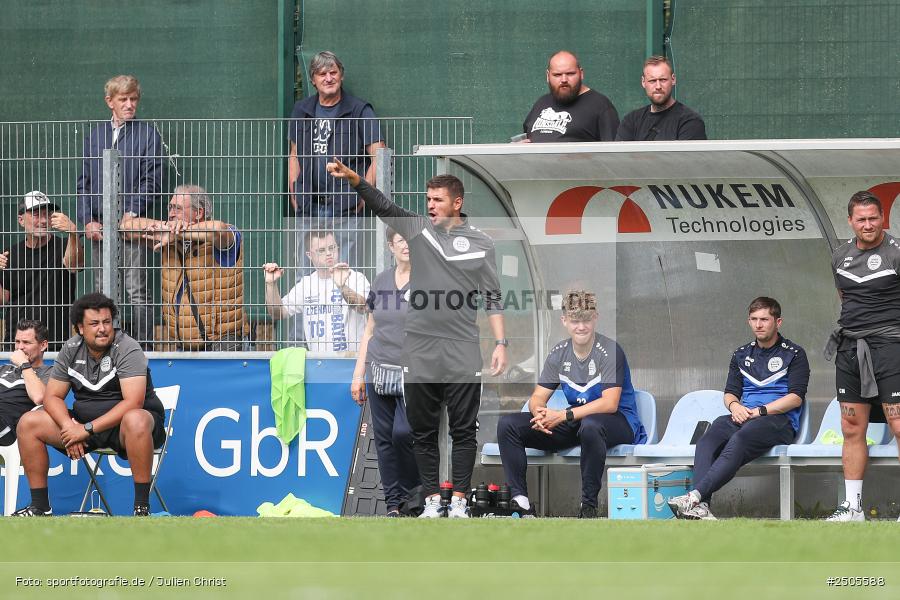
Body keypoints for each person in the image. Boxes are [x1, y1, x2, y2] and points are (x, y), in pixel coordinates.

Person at [326, 159, 507, 519]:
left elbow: (492, 295)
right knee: (421, 431)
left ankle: (458, 502)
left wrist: (501, 344)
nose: (431, 205)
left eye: (438, 200)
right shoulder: (420, 230)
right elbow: (385, 207)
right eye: (428, 199)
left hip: (462, 349)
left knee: (463, 430)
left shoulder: (481, 242)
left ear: (457, 202)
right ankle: (432, 502)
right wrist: (356, 180)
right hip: (420, 348)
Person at [13, 293, 166, 516]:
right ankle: (40, 507)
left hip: (126, 429)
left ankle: (141, 507)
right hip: (83, 426)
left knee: (136, 418)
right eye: (94, 323)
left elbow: (134, 402)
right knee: (28, 422)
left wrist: (85, 430)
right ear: (80, 328)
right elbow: (52, 397)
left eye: (107, 322)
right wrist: (69, 427)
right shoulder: (71, 348)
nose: (102, 329)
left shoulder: (128, 347)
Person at [497, 290, 645, 518]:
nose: (581, 327)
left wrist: (563, 416)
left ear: (595, 318)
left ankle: (588, 507)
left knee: (591, 426)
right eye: (575, 321)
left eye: (586, 320)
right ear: (564, 321)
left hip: (618, 422)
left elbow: (610, 403)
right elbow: (537, 397)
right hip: (578, 421)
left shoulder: (610, 351)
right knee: (509, 424)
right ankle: (521, 503)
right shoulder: (558, 353)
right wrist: (540, 414)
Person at [668, 297, 809, 520]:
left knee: (740, 438)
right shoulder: (741, 354)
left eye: (764, 319)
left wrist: (760, 411)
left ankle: (694, 497)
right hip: (744, 416)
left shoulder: (794, 353)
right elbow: (730, 393)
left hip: (778, 421)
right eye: (754, 319)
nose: (758, 324)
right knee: (706, 441)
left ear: (778, 322)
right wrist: (735, 407)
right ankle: (701, 507)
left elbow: (795, 398)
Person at [822, 190, 900, 522]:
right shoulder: (840, 256)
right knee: (851, 426)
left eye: (873, 218)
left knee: (898, 423)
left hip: (891, 348)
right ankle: (853, 508)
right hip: (850, 349)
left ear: (883, 218)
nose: (868, 225)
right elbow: (845, 297)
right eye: (861, 219)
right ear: (850, 221)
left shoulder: (896, 252)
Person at [76, 75, 164, 348]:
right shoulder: (96, 135)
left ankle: (143, 349)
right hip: (100, 227)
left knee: (137, 291)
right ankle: (103, 348)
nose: (129, 104)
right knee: (102, 292)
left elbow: (153, 178)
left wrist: (133, 211)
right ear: (109, 102)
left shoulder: (147, 134)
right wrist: (87, 220)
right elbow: (83, 182)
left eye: (133, 99)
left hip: (130, 226)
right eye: (123, 99)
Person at [120, 184, 248, 351]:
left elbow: (218, 230)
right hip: (184, 345)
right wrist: (166, 227)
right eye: (170, 207)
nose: (171, 213)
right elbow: (126, 228)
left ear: (199, 213)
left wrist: (178, 233)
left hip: (223, 344)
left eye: (178, 208)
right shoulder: (167, 236)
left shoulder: (226, 236)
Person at [350, 228, 420, 516]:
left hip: (414, 374)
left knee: (403, 433)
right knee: (384, 439)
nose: (406, 246)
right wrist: (358, 374)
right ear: (391, 246)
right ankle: (393, 504)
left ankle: (415, 496)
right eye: (400, 240)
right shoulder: (380, 281)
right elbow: (369, 330)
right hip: (378, 370)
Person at [263, 231, 370, 355]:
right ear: (309, 255)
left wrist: (342, 287)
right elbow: (278, 313)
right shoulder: (306, 284)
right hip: (318, 361)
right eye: (321, 250)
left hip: (353, 359)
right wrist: (271, 284)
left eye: (332, 248)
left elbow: (364, 307)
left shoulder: (355, 278)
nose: (329, 253)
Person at [0, 191, 83, 350]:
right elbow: (3, 298)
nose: (44, 220)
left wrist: (73, 232)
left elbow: (75, 266)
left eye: (47, 215)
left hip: (55, 341)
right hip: (18, 341)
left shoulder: (64, 245)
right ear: (21, 220)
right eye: (37, 215)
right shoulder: (11, 253)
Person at [522, 50, 619, 142]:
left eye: (570, 74)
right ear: (548, 76)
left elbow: (615, 151)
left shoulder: (600, 106)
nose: (564, 79)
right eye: (557, 75)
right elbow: (525, 138)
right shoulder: (541, 103)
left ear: (581, 73)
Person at [616, 56, 707, 141]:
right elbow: (620, 153)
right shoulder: (631, 121)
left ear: (673, 79)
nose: (658, 86)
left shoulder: (690, 121)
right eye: (652, 81)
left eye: (663, 80)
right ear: (643, 82)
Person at [0, 320, 52, 446]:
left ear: (43, 345)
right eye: (17, 342)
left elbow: (40, 397)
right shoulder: (3, 368)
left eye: (26, 342)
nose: (20, 347)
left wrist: (24, 364)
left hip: (7, 430)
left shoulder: (50, 372)